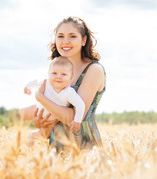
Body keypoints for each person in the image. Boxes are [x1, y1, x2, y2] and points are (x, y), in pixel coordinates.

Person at [32, 16, 106, 151]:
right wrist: (39, 122)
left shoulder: (93, 70)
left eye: (72, 36)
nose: (65, 41)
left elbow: (73, 117)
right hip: (56, 145)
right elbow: (49, 111)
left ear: (84, 40)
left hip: (84, 148)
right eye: (60, 36)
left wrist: (40, 98)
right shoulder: (57, 69)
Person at [19, 56, 85, 146]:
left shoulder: (69, 92)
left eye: (63, 74)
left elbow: (80, 105)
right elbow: (35, 82)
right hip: (38, 110)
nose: (58, 77)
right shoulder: (46, 83)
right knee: (23, 113)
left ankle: (32, 137)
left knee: (44, 134)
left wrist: (77, 121)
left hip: (52, 121)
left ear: (71, 77)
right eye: (54, 73)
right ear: (48, 74)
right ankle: (22, 120)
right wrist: (27, 87)